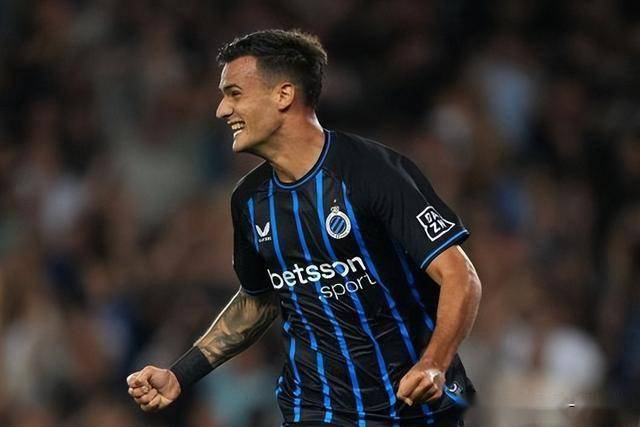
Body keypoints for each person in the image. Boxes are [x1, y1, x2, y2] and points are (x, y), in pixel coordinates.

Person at [126, 29, 482, 427]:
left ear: (283, 95)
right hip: (316, 410)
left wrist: (434, 362)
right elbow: (258, 300)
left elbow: (460, 276)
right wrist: (181, 373)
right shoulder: (249, 200)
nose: (222, 110)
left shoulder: (372, 173)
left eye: (234, 93)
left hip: (414, 408)